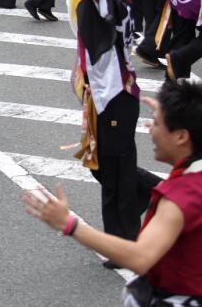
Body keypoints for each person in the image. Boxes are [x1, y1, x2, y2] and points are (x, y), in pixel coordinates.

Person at [24, 78, 202, 303]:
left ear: (182, 136)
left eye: (156, 123)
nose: (150, 129)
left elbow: (141, 257)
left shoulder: (179, 199)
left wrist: (69, 224)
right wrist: (176, 116)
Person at [60, 0, 162, 262]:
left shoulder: (118, 8)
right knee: (101, 165)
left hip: (118, 97)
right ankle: (152, 190)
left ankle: (123, 242)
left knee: (115, 172)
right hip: (100, 96)